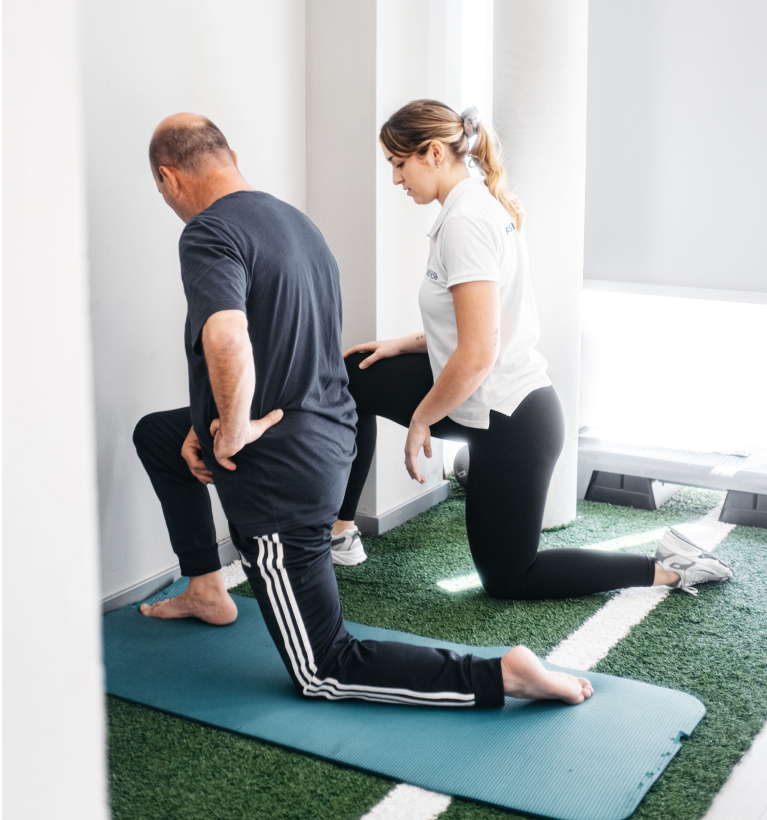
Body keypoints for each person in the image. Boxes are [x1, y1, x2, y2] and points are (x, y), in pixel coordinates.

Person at [132, 112, 595, 708]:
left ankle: (500, 674)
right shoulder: (295, 224)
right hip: (328, 434)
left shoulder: (206, 232)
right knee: (158, 436)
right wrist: (202, 424)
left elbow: (227, 338)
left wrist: (230, 432)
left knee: (324, 668)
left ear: (169, 179)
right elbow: (295, 354)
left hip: (281, 473)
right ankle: (205, 585)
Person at [334, 99, 733, 600]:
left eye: (398, 163)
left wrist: (419, 422)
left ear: (433, 153)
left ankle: (670, 567)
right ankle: (339, 530)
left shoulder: (467, 222)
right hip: (479, 397)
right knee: (353, 374)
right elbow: (479, 326)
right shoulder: (468, 207)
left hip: (512, 421)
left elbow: (478, 353)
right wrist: (403, 344)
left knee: (508, 577)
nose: (395, 179)